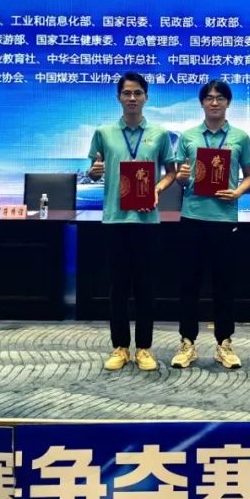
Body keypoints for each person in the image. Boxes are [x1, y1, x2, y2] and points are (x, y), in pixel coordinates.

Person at [87, 71, 177, 372]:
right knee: (118, 288)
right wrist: (93, 173)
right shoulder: (104, 132)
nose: (132, 98)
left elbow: (171, 172)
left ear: (146, 97)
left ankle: (144, 348)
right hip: (115, 220)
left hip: (147, 221)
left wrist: (157, 189)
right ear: (118, 97)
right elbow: (94, 170)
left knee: (145, 288)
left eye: (138, 93)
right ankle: (120, 347)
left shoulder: (160, 134)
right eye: (127, 93)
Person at [170, 80, 250, 370]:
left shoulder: (240, 137)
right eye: (209, 98)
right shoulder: (188, 136)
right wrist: (181, 176)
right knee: (188, 284)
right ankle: (187, 343)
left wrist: (238, 192)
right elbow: (179, 176)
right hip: (192, 216)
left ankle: (224, 343)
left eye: (220, 98)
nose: (214, 102)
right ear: (202, 103)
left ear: (228, 102)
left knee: (224, 284)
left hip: (224, 218)